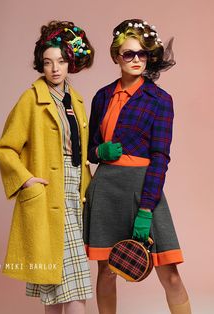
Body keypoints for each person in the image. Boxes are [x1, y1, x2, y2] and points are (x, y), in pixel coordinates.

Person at [83, 19, 191, 314]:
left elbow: (161, 157)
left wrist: (146, 209)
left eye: (141, 54)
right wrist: (99, 150)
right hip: (105, 190)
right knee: (106, 271)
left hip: (143, 188)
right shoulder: (102, 96)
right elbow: (90, 151)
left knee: (169, 274)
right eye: (129, 54)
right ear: (116, 56)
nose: (136, 60)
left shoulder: (159, 100)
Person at [0, 20, 94, 314]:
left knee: (55, 287)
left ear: (70, 63)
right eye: (48, 62)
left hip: (76, 192)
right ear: (41, 64)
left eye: (61, 61)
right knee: (74, 283)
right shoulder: (31, 99)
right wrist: (26, 180)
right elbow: (5, 148)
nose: (55, 69)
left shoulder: (75, 100)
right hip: (50, 192)